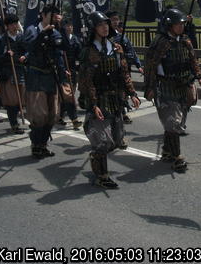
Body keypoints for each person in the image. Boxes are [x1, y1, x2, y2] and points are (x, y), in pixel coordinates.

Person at [79, 12, 140, 188]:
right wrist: (93, 104)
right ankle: (102, 175)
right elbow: (86, 81)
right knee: (103, 141)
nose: (105, 27)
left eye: (107, 24)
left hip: (115, 98)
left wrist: (132, 93)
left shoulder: (116, 47)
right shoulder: (88, 52)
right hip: (98, 98)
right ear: (93, 29)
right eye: (100, 25)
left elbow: (124, 73)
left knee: (117, 139)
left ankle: (96, 157)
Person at [144, 8, 201, 172]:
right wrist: (149, 87)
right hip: (165, 87)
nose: (181, 27)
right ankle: (177, 157)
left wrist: (199, 77)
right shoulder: (160, 42)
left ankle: (166, 151)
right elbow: (150, 66)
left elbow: (193, 60)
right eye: (178, 24)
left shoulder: (185, 41)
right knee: (173, 122)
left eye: (183, 24)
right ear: (169, 25)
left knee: (178, 121)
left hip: (183, 86)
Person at [23, 6, 71, 158]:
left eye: (57, 15)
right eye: (52, 15)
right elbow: (30, 48)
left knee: (52, 114)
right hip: (36, 76)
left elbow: (64, 49)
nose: (55, 17)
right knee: (39, 114)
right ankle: (36, 143)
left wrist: (61, 28)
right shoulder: (32, 30)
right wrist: (43, 34)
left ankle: (43, 144)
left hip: (52, 77)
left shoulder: (56, 32)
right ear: (43, 15)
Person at [107, 10, 142, 125]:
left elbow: (131, 51)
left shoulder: (122, 36)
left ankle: (122, 112)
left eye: (117, 19)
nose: (116, 22)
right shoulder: (105, 37)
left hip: (124, 69)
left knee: (124, 92)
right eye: (113, 19)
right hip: (109, 72)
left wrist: (138, 65)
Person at [0, 14, 26, 135]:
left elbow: (27, 50)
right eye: (12, 24)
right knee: (11, 101)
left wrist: (25, 56)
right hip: (8, 73)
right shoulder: (1, 40)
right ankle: (14, 124)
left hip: (20, 71)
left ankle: (15, 119)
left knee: (20, 100)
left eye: (16, 23)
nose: (14, 26)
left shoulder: (21, 37)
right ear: (7, 26)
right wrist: (6, 55)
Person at [58, 18, 82, 129]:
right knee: (68, 95)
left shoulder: (75, 39)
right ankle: (74, 118)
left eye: (71, 26)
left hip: (73, 69)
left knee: (68, 94)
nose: (69, 28)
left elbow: (80, 54)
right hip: (62, 69)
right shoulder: (59, 39)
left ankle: (60, 116)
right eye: (67, 26)